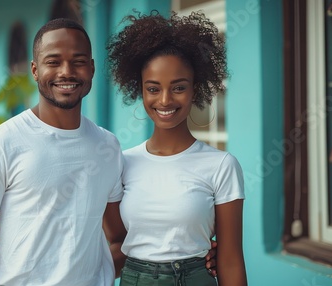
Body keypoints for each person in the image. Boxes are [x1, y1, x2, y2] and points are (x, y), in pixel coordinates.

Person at [0, 18, 216, 286]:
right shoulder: (0, 143)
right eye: (53, 62)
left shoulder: (107, 146)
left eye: (78, 61)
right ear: (35, 70)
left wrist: (191, 256)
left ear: (91, 68)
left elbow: (122, 239)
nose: (66, 71)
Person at [106, 11, 247, 286]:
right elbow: (117, 244)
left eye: (178, 87)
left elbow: (230, 259)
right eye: (153, 88)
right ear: (140, 90)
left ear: (195, 89)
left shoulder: (221, 166)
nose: (165, 100)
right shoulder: (121, 165)